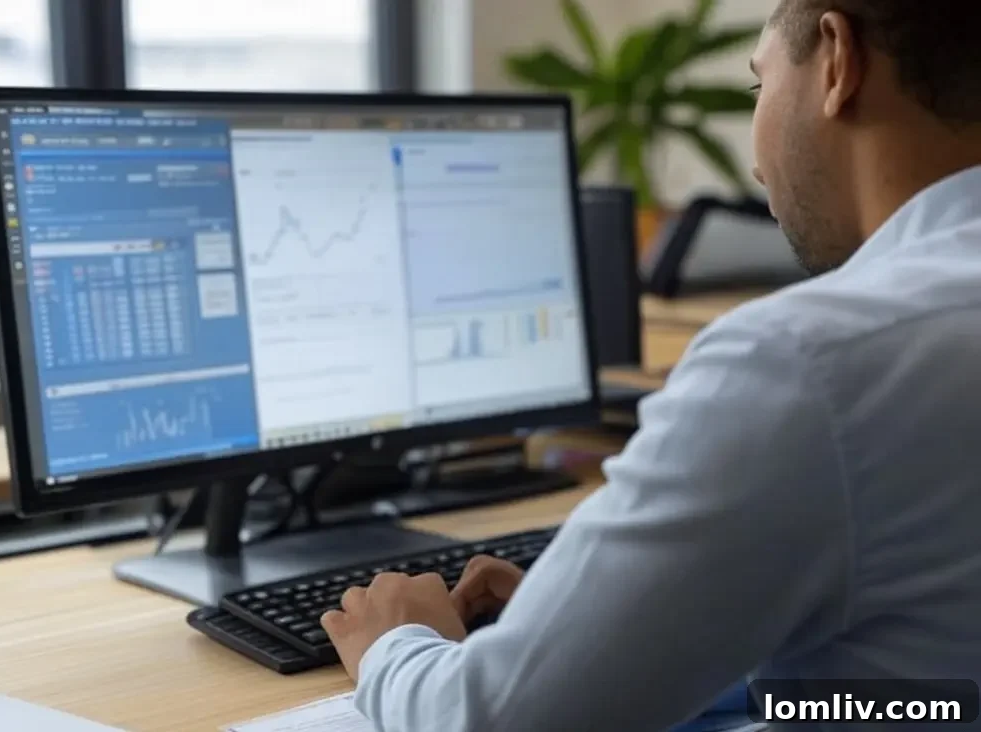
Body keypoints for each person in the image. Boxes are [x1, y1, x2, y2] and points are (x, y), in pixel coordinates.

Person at [322, 1, 981, 729]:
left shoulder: (808, 361)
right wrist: (623, 632)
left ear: (835, 61)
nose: (758, 158)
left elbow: (493, 722)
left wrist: (395, 643)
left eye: (757, 85)